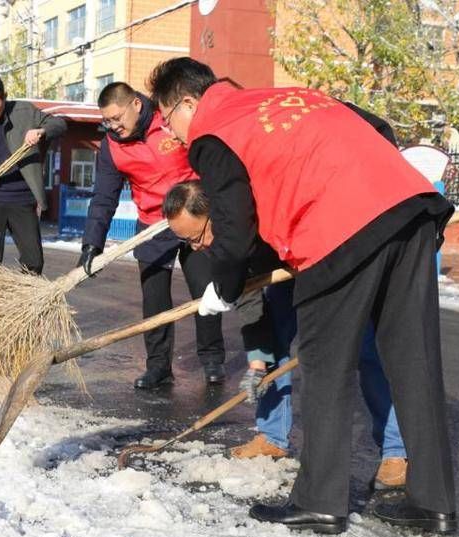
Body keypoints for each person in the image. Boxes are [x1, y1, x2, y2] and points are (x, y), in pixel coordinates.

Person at [149, 57, 456, 534]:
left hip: (337, 229)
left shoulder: (214, 133)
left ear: (188, 102)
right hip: (409, 209)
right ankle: (433, 504)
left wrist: (223, 290)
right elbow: (374, 125)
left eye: (169, 120)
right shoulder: (283, 97)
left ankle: (320, 502)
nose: (177, 135)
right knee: (415, 361)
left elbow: (234, 222)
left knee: (325, 365)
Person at [163, 181, 409, 492]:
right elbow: (250, 300)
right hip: (284, 266)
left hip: (330, 254)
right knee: (274, 340)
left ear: (216, 215)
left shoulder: (258, 214)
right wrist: (256, 362)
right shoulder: (221, 243)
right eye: (186, 242)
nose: (196, 247)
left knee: (362, 348)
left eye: (196, 237)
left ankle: (396, 452)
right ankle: (272, 436)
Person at [78, 81, 225, 389]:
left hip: (193, 216)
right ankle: (159, 367)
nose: (114, 126)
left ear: (136, 105)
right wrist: (92, 242)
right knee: (155, 299)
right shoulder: (112, 147)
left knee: (204, 289)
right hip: (153, 223)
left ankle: (212, 359)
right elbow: (104, 196)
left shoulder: (168, 119)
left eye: (118, 118)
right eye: (108, 120)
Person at [0, 75, 66, 274]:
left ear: (4, 97)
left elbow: (59, 124)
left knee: (34, 262)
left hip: (23, 199)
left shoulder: (24, 112)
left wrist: (40, 131)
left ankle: (24, 302)